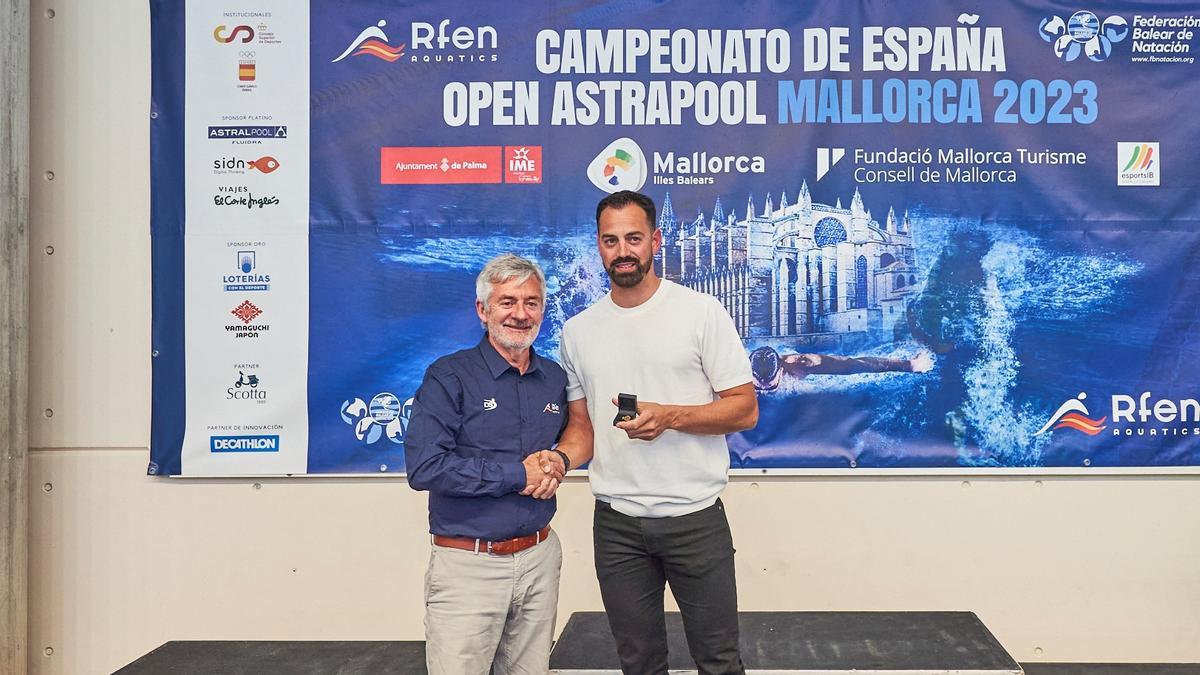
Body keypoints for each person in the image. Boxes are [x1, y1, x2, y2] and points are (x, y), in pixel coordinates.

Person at [549, 190, 759, 675]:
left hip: (694, 519)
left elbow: (744, 410)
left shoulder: (701, 312)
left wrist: (669, 416)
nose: (623, 250)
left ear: (656, 241)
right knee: (639, 662)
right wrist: (556, 460)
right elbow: (581, 427)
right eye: (611, 240)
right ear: (599, 247)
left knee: (720, 661)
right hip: (617, 525)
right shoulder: (577, 332)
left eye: (634, 238)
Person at [404, 253, 570, 675]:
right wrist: (519, 475)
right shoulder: (449, 376)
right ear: (483, 310)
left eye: (531, 302)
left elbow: (572, 440)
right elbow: (425, 467)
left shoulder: (553, 377)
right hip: (468, 567)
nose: (520, 314)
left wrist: (557, 462)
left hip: (539, 559)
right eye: (507, 302)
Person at [749, 345, 935, 391]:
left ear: (781, 369)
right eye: (758, 386)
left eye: (771, 386)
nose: (764, 390)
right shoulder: (735, 368)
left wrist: (908, 365)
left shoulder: (800, 364)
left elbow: (852, 365)